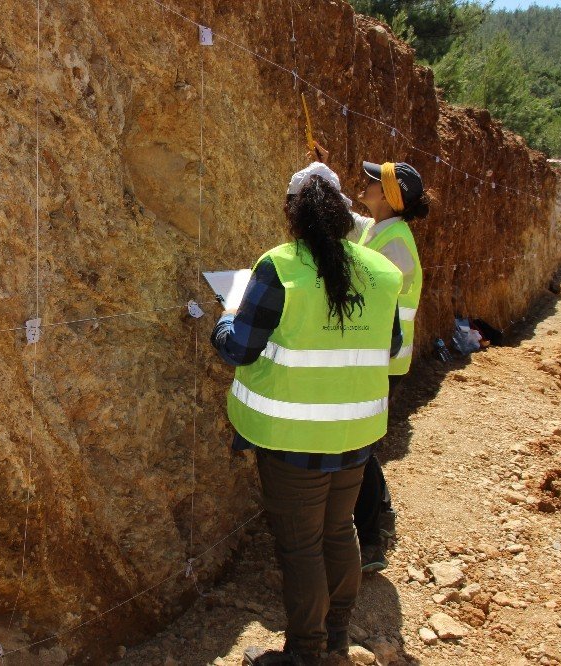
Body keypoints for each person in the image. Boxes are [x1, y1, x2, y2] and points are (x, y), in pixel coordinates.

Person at [212, 164, 402, 665]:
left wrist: (225, 318)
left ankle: (305, 653)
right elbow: (393, 342)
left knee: (300, 547)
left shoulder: (279, 267)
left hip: (291, 439)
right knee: (338, 531)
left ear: (293, 212)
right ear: (342, 211)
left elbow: (240, 349)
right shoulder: (383, 272)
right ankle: (336, 637)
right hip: (356, 434)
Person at [311, 145, 429, 573]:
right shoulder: (380, 230)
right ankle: (377, 523)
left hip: (384, 360)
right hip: (376, 357)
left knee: (358, 446)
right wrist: (322, 177)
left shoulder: (394, 246)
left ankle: (375, 532)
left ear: (388, 195)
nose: (365, 182)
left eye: (372, 180)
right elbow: (349, 219)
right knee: (358, 443)